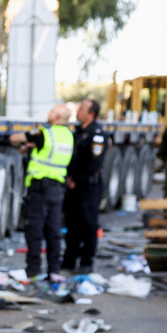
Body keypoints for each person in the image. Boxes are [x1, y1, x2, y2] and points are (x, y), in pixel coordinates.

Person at [9, 104, 73, 281]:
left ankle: (33, 270)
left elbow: (15, 138)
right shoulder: (68, 136)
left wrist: (25, 142)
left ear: (58, 117)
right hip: (57, 190)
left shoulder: (45, 133)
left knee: (34, 230)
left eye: (52, 112)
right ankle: (54, 271)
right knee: (53, 232)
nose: (49, 113)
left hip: (39, 190)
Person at [62, 99, 108, 275]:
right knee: (71, 224)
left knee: (88, 225)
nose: (78, 112)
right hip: (74, 186)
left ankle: (86, 262)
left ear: (92, 114)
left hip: (88, 187)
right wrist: (69, 178)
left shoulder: (96, 135)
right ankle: (69, 260)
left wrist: (77, 178)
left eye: (82, 109)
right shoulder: (78, 132)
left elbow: (94, 164)